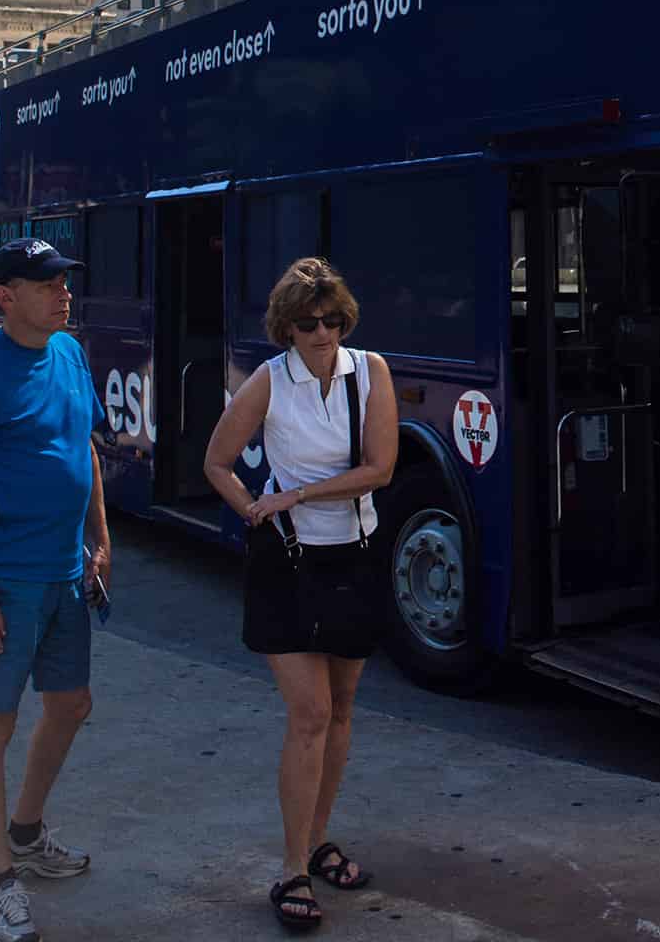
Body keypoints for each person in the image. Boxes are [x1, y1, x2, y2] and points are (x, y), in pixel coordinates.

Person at [204, 257, 398, 933]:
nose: (323, 333)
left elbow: (380, 468)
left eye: (333, 319)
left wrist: (299, 493)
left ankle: (318, 842)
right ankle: (290, 868)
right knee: (311, 712)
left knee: (342, 708)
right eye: (309, 323)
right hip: (286, 563)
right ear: (286, 328)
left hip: (353, 557)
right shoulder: (269, 381)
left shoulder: (369, 373)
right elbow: (216, 461)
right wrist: (255, 507)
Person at [0, 238, 111, 942]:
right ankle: (0, 882)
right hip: (5, 578)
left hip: (68, 571)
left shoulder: (68, 353)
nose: (63, 291)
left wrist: (100, 538)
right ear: (6, 295)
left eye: (64, 278)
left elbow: (83, 447)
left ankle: (28, 834)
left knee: (70, 704)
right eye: (46, 282)